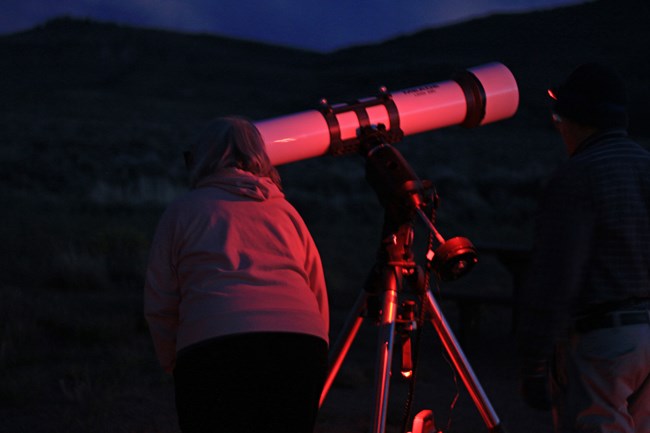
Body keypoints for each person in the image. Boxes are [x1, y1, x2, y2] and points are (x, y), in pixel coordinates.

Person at [144, 116, 330, 433]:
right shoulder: (286, 211)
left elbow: (160, 300)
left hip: (214, 346)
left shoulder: (183, 211)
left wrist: (175, 363)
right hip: (298, 345)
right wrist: (316, 349)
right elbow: (316, 290)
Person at [517, 63, 650, 433]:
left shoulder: (577, 177)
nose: (558, 126)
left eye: (560, 116)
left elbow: (556, 278)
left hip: (603, 345)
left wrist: (534, 363)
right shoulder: (646, 166)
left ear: (575, 119)